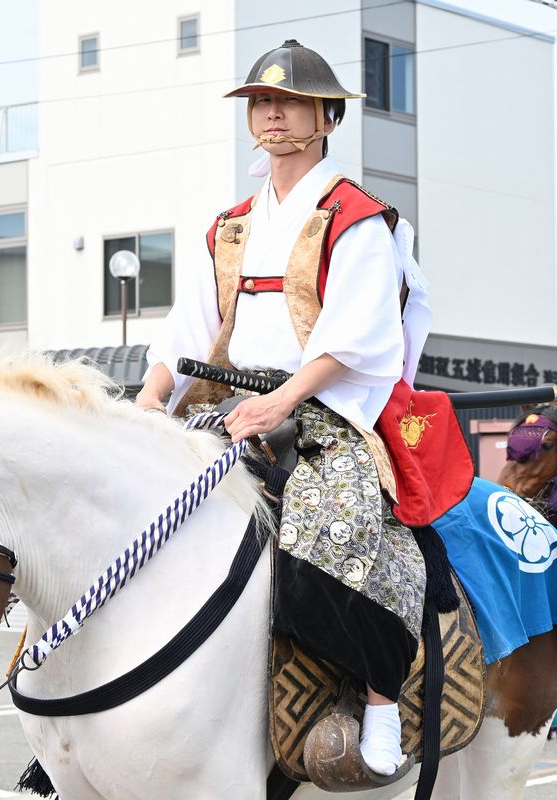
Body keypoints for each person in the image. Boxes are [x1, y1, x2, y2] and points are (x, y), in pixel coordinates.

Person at [136, 39, 431, 777]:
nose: (271, 112)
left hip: (325, 410)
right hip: (228, 406)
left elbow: (359, 336)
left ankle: (382, 698)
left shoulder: (358, 218)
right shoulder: (229, 224)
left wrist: (283, 403)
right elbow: (190, 326)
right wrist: (151, 391)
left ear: (327, 116)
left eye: (289, 100)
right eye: (261, 102)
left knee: (329, 544)